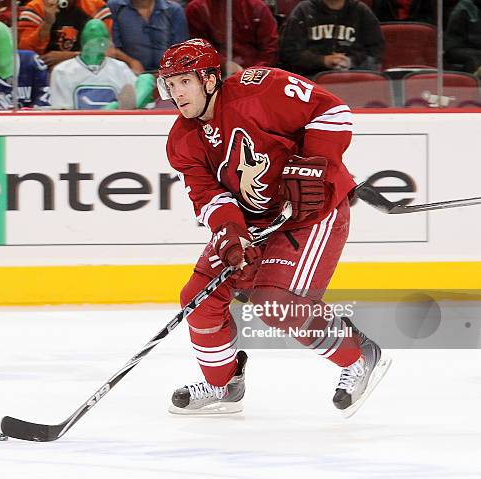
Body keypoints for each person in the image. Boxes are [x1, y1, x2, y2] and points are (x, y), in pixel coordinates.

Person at [158, 38, 391, 416]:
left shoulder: (259, 89)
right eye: (170, 84)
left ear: (209, 78)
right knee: (197, 299)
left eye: (184, 81)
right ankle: (223, 384)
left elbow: (333, 112)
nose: (176, 92)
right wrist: (231, 234)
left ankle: (358, 355)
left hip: (312, 212)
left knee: (276, 304)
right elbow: (209, 196)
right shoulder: (182, 140)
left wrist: (314, 163)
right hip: (255, 220)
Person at [50, 19, 155, 108]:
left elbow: (145, 104)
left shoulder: (120, 68)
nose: (98, 45)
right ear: (83, 43)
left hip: (117, 127)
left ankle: (116, 108)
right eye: (93, 42)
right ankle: (113, 109)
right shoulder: (62, 71)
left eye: (102, 41)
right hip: (79, 129)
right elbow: (62, 114)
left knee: (146, 79)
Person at [279, 0, 384, 77]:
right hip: (311, 78)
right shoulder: (303, 10)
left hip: (355, 77)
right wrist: (323, 60)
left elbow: (375, 51)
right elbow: (289, 52)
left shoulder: (361, 11)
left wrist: (351, 62)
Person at [0, 21, 51, 109]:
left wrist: (33, 112)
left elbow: (45, 92)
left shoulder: (32, 61)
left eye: (2, 43)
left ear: (12, 42)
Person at [185, 0, 278, 72]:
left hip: (259, 74)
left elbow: (270, 47)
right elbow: (199, 48)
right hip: (216, 74)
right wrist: (225, 65)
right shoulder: (197, 9)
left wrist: (256, 70)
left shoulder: (256, 6)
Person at [108, 0, 189, 72]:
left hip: (168, 75)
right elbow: (110, 46)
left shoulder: (175, 10)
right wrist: (131, 61)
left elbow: (181, 50)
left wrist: (167, 72)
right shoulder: (114, 7)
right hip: (129, 74)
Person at [444, 0, 481, 76]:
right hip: (457, 48)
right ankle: (474, 83)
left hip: (473, 46)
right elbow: (472, 37)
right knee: (477, 56)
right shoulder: (466, 7)